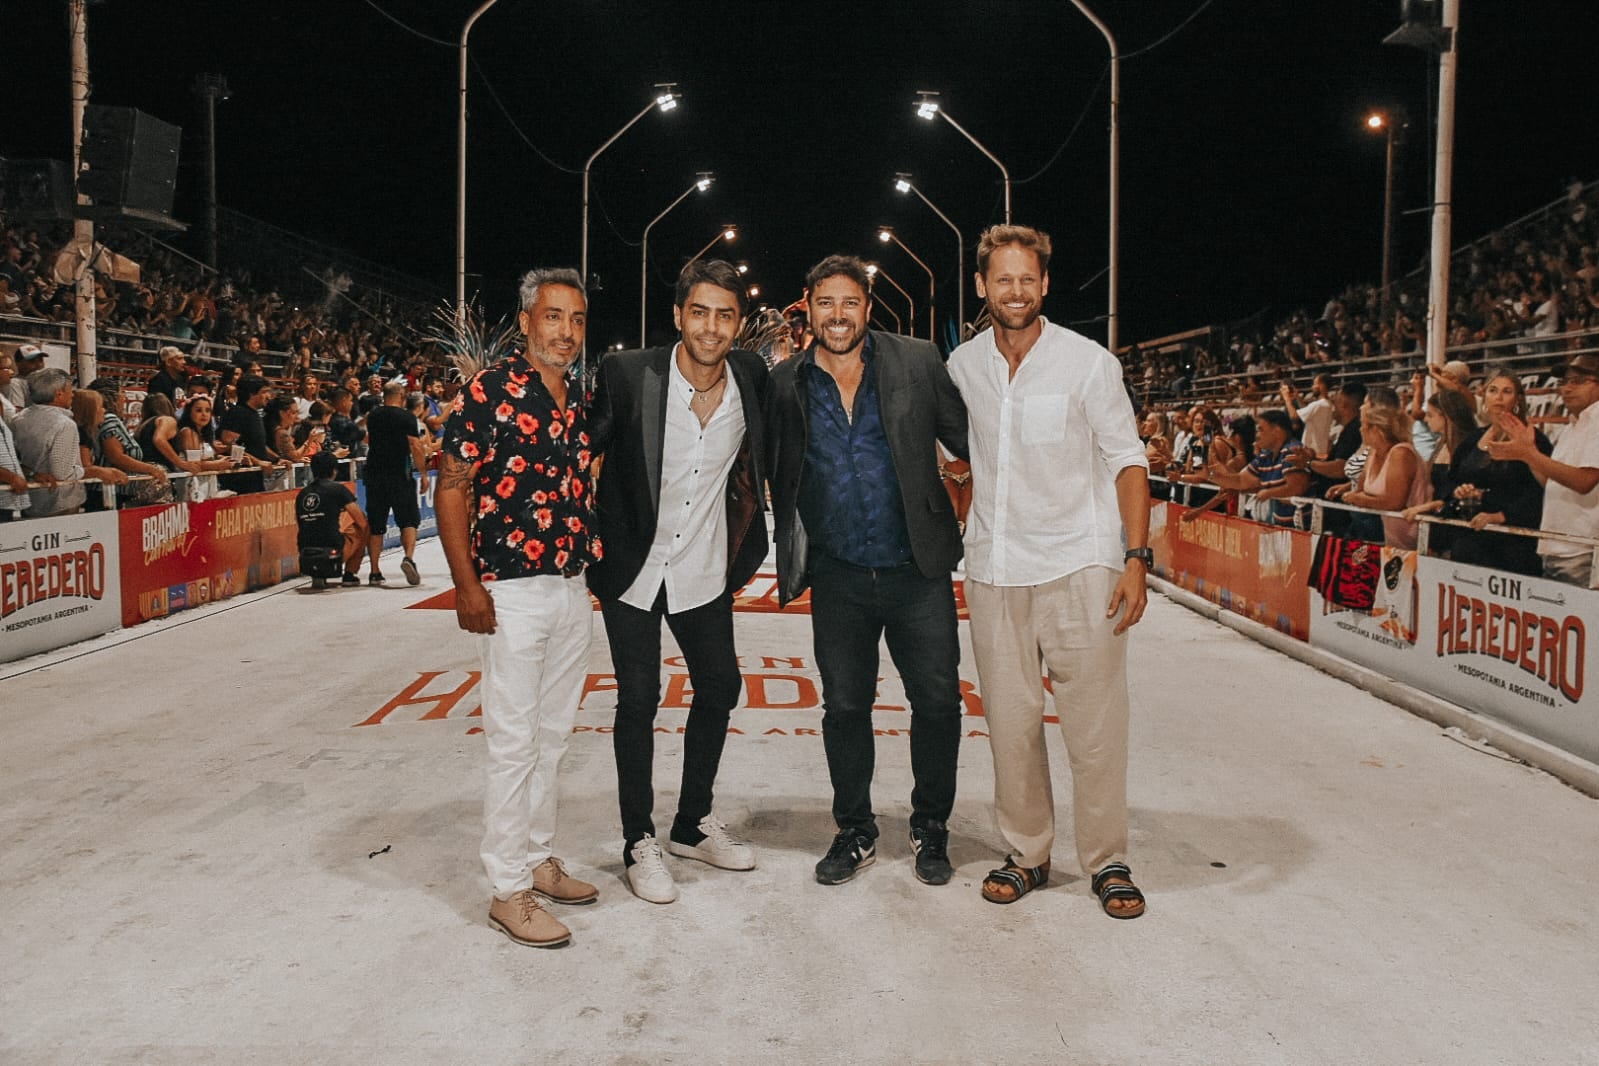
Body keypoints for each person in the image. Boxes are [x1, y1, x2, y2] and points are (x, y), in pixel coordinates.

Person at [946, 224, 1150, 919]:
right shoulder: (963, 365)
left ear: (1044, 285)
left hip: (1079, 566)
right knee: (1010, 724)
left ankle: (1106, 860)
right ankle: (1027, 853)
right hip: (995, 568)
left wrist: (1135, 557)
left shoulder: (1087, 363)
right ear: (981, 286)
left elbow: (1128, 460)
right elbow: (950, 455)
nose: (1015, 291)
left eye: (1026, 279)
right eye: (1002, 279)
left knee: (1094, 727)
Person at [765, 254, 968, 887]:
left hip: (918, 570)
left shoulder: (916, 360)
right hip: (839, 576)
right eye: (825, 303)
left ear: (867, 307)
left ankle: (930, 825)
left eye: (849, 302)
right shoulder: (784, 383)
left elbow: (972, 441)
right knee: (845, 706)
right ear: (808, 307)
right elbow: (763, 466)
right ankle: (855, 829)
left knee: (936, 702)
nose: (838, 315)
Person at [586, 260, 770, 904]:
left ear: (738, 325)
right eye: (700, 312)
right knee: (639, 696)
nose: (711, 328)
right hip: (633, 568)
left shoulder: (752, 379)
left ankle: (691, 823)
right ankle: (639, 839)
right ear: (678, 316)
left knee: (721, 685)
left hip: (703, 568)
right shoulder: (629, 374)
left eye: (724, 316)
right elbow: (580, 450)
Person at [437, 267, 601, 949]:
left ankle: (537, 857)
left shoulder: (578, 401)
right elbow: (451, 488)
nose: (566, 332)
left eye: (577, 320)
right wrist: (467, 586)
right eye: (554, 317)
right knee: (512, 741)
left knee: (553, 737)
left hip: (568, 586)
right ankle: (508, 888)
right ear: (527, 321)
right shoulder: (487, 394)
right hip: (510, 591)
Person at [1486, 353, 1599, 586]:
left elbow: (1585, 481)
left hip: (1583, 549)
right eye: (1563, 382)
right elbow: (1552, 484)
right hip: (1557, 545)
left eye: (1577, 381)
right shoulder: (1573, 426)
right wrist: (1528, 455)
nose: (1566, 388)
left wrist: (1529, 454)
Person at [1446, 368, 1551, 576]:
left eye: (1507, 391)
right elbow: (1452, 479)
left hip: (1512, 545)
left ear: (1518, 399)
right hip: (1469, 539)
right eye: (1493, 390)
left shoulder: (1533, 440)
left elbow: (1540, 492)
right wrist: (1459, 492)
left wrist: (1500, 516)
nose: (1499, 398)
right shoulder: (1472, 439)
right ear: (1484, 396)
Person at [363, 382, 428, 586]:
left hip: (374, 475)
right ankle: (408, 557)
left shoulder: (373, 415)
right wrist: (424, 473)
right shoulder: (406, 417)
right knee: (409, 521)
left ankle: (374, 571)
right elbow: (415, 445)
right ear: (401, 395)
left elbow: (368, 439)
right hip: (400, 475)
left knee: (376, 525)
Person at [1342, 406, 1425, 548]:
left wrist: (1358, 499)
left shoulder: (1401, 453)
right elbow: (1359, 491)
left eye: (1364, 426)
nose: (1360, 430)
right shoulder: (1372, 453)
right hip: (1374, 526)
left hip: (1404, 533)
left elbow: (1394, 502)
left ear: (1376, 429)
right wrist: (1356, 497)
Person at [1208, 409, 1309, 527]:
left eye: (1260, 430)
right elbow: (1240, 480)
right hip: (1280, 524)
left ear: (1277, 431)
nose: (1257, 435)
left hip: (1300, 527)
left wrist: (1269, 492)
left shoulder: (1292, 450)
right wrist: (1208, 475)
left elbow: (1297, 487)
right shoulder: (1265, 455)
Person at [12, 369, 89, 516]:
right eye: (70, 390)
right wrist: (86, 471)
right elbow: (63, 474)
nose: (73, 394)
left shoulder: (18, 419)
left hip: (30, 499)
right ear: (59, 393)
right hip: (60, 502)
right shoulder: (64, 424)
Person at [295, 450, 368, 589]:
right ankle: (349, 574)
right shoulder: (338, 490)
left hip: (305, 553)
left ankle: (318, 574)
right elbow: (360, 520)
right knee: (365, 525)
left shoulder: (303, 493)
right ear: (334, 470)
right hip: (332, 551)